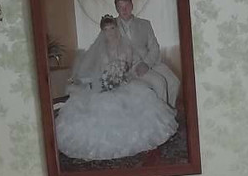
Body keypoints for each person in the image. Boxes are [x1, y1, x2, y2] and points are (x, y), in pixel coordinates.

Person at [54, 15, 177, 162]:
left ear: (116, 29)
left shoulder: (126, 45)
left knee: (140, 97)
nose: (110, 32)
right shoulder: (99, 49)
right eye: (106, 29)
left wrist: (120, 75)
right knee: (102, 103)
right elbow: (95, 69)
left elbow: (129, 66)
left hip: (123, 82)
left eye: (112, 28)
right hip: (104, 83)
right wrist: (104, 80)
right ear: (102, 31)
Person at [113, 0, 181, 109]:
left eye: (127, 6)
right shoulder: (111, 26)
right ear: (116, 8)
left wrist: (146, 63)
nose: (124, 10)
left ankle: (169, 111)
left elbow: (154, 47)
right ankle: (161, 116)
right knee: (160, 83)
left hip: (150, 62)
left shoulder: (145, 24)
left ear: (132, 6)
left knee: (174, 82)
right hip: (130, 67)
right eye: (120, 7)